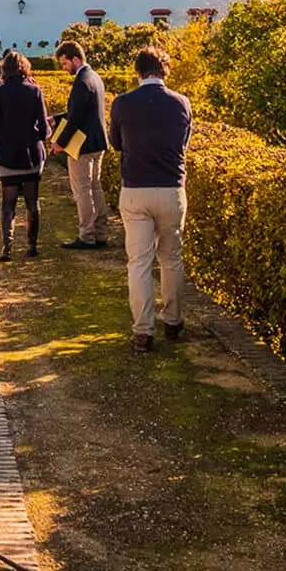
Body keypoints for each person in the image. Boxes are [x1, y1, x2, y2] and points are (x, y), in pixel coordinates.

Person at [108, 46, 193, 354]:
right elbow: (184, 142)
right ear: (164, 71)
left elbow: (115, 144)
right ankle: (173, 321)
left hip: (136, 189)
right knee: (171, 259)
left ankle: (143, 331)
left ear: (138, 72)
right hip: (171, 188)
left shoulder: (123, 103)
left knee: (139, 262)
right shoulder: (182, 103)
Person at [0, 52, 51, 261]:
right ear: (25, 67)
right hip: (30, 152)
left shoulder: (0, 92)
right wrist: (40, 137)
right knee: (33, 201)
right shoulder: (34, 90)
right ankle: (32, 246)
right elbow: (44, 127)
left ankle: (7, 247)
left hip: (7, 152)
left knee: (8, 202)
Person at [53, 40, 110, 250]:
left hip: (82, 145)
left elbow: (76, 117)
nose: (64, 68)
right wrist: (58, 118)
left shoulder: (81, 82)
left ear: (75, 59)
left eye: (65, 63)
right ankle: (100, 232)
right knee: (95, 187)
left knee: (83, 190)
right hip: (97, 142)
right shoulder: (94, 77)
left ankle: (86, 235)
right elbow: (83, 111)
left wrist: (60, 143)